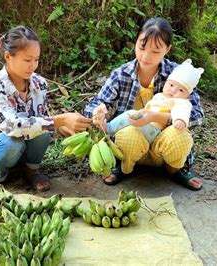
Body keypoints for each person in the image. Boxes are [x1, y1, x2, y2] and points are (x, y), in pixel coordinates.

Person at [84, 17, 204, 190]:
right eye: (141, 47)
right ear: (136, 42)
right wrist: (99, 111)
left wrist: (157, 117)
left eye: (155, 51)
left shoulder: (179, 75)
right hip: (133, 144)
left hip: (163, 145)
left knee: (180, 136)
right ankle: (126, 167)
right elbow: (97, 102)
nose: (146, 56)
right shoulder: (121, 74)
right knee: (127, 134)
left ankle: (174, 169)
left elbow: (197, 116)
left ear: (167, 49)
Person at [0, 25, 91, 195]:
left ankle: (31, 171)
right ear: (8, 57)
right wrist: (60, 120)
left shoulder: (40, 84)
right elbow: (13, 126)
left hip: (25, 147)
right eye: (27, 60)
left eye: (36, 60)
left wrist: (63, 128)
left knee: (43, 130)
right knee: (12, 141)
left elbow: (40, 121)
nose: (33, 66)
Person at [104, 59, 204, 144]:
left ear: (187, 95)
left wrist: (180, 120)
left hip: (157, 132)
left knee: (130, 114)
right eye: (171, 85)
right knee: (131, 126)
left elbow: (182, 111)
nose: (173, 90)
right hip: (148, 127)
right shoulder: (159, 96)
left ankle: (109, 128)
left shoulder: (181, 102)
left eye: (181, 90)